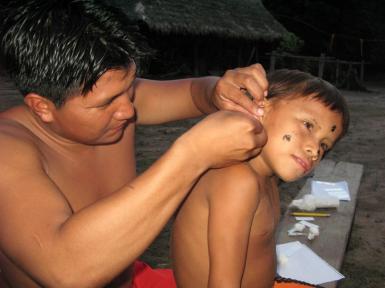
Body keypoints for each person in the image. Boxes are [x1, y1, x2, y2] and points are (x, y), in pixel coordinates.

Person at [0, 0, 269, 287]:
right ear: (42, 107)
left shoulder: (114, 105)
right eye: (107, 102)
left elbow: (195, 93)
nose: (129, 111)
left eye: (130, 90)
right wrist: (193, 155)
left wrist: (219, 91)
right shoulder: (8, 149)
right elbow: (66, 269)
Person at [171, 69, 350, 288]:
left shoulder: (265, 178)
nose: (315, 150)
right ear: (262, 108)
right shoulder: (238, 181)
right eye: (308, 125)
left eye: (324, 145)